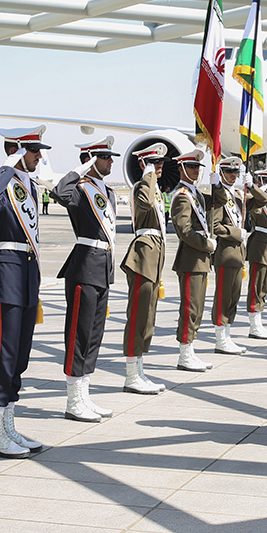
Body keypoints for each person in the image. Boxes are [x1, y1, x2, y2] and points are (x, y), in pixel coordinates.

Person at [0, 126, 48, 459]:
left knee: (20, 357)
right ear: (17, 150)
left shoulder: (28, 185)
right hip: (6, 275)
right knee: (4, 356)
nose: (39, 156)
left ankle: (8, 427)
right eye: (33, 150)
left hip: (27, 274)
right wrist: (8, 165)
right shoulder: (1, 182)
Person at [52, 137, 119, 421]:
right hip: (84, 266)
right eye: (104, 156)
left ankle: (84, 395)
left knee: (93, 336)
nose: (111, 161)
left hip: (102, 268)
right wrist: (80, 169)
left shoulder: (108, 191)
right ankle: (73, 400)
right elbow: (59, 193)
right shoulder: (80, 189)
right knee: (78, 335)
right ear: (91, 159)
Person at [121, 142, 168, 395]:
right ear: (143, 165)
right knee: (138, 316)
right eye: (153, 162)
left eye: (160, 163)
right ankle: (131, 374)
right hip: (143, 257)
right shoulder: (142, 187)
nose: (159, 166)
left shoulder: (155, 189)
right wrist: (148, 174)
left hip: (154, 255)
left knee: (148, 317)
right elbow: (146, 204)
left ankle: (138, 370)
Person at [170, 149, 216, 372]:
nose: (196, 170)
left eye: (198, 167)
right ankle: (184, 354)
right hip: (190, 259)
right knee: (190, 308)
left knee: (197, 308)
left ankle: (190, 351)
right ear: (181, 169)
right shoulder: (182, 196)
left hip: (200, 260)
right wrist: (207, 245)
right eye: (191, 166)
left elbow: (218, 204)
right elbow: (185, 231)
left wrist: (217, 185)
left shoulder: (195, 193)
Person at [210, 156, 250, 355]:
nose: (233, 175)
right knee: (224, 297)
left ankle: (227, 335)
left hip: (238, 253)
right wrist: (236, 233)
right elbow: (214, 225)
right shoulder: (219, 196)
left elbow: (260, 201)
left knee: (234, 296)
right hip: (225, 253)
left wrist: (252, 186)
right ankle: (220, 338)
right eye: (229, 172)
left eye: (236, 172)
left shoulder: (237, 194)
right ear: (221, 173)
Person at [246, 168, 267, 340]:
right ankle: (254, 325)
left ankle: (258, 323)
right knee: (256, 286)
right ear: (260, 182)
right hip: (260, 245)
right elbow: (259, 202)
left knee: (264, 287)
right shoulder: (255, 199)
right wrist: (252, 187)